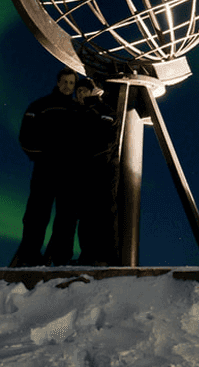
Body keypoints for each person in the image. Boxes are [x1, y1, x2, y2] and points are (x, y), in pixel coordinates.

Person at [9, 67, 80, 267]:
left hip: (69, 173)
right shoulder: (40, 106)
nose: (68, 86)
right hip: (45, 170)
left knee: (67, 217)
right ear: (58, 83)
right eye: (65, 82)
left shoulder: (78, 109)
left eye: (72, 83)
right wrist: (43, 156)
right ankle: (29, 257)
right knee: (36, 215)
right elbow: (25, 137)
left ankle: (61, 258)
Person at [74, 80, 120, 265]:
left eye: (83, 90)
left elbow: (105, 140)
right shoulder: (78, 113)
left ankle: (108, 257)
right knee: (85, 215)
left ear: (92, 91)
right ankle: (88, 255)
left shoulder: (105, 111)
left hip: (103, 169)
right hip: (85, 171)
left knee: (105, 212)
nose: (80, 94)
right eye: (78, 91)